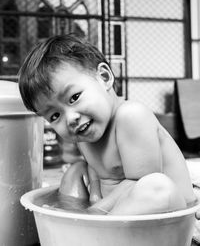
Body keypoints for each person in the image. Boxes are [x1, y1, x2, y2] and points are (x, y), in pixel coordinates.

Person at [18, 34, 196, 215]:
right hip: (117, 211)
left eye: (74, 97)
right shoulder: (84, 131)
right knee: (75, 172)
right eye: (55, 115)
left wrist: (96, 210)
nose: (70, 118)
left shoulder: (131, 116)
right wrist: (94, 193)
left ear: (104, 77)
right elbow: (95, 170)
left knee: (156, 187)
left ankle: (92, 231)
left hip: (168, 212)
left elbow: (140, 183)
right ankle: (67, 219)